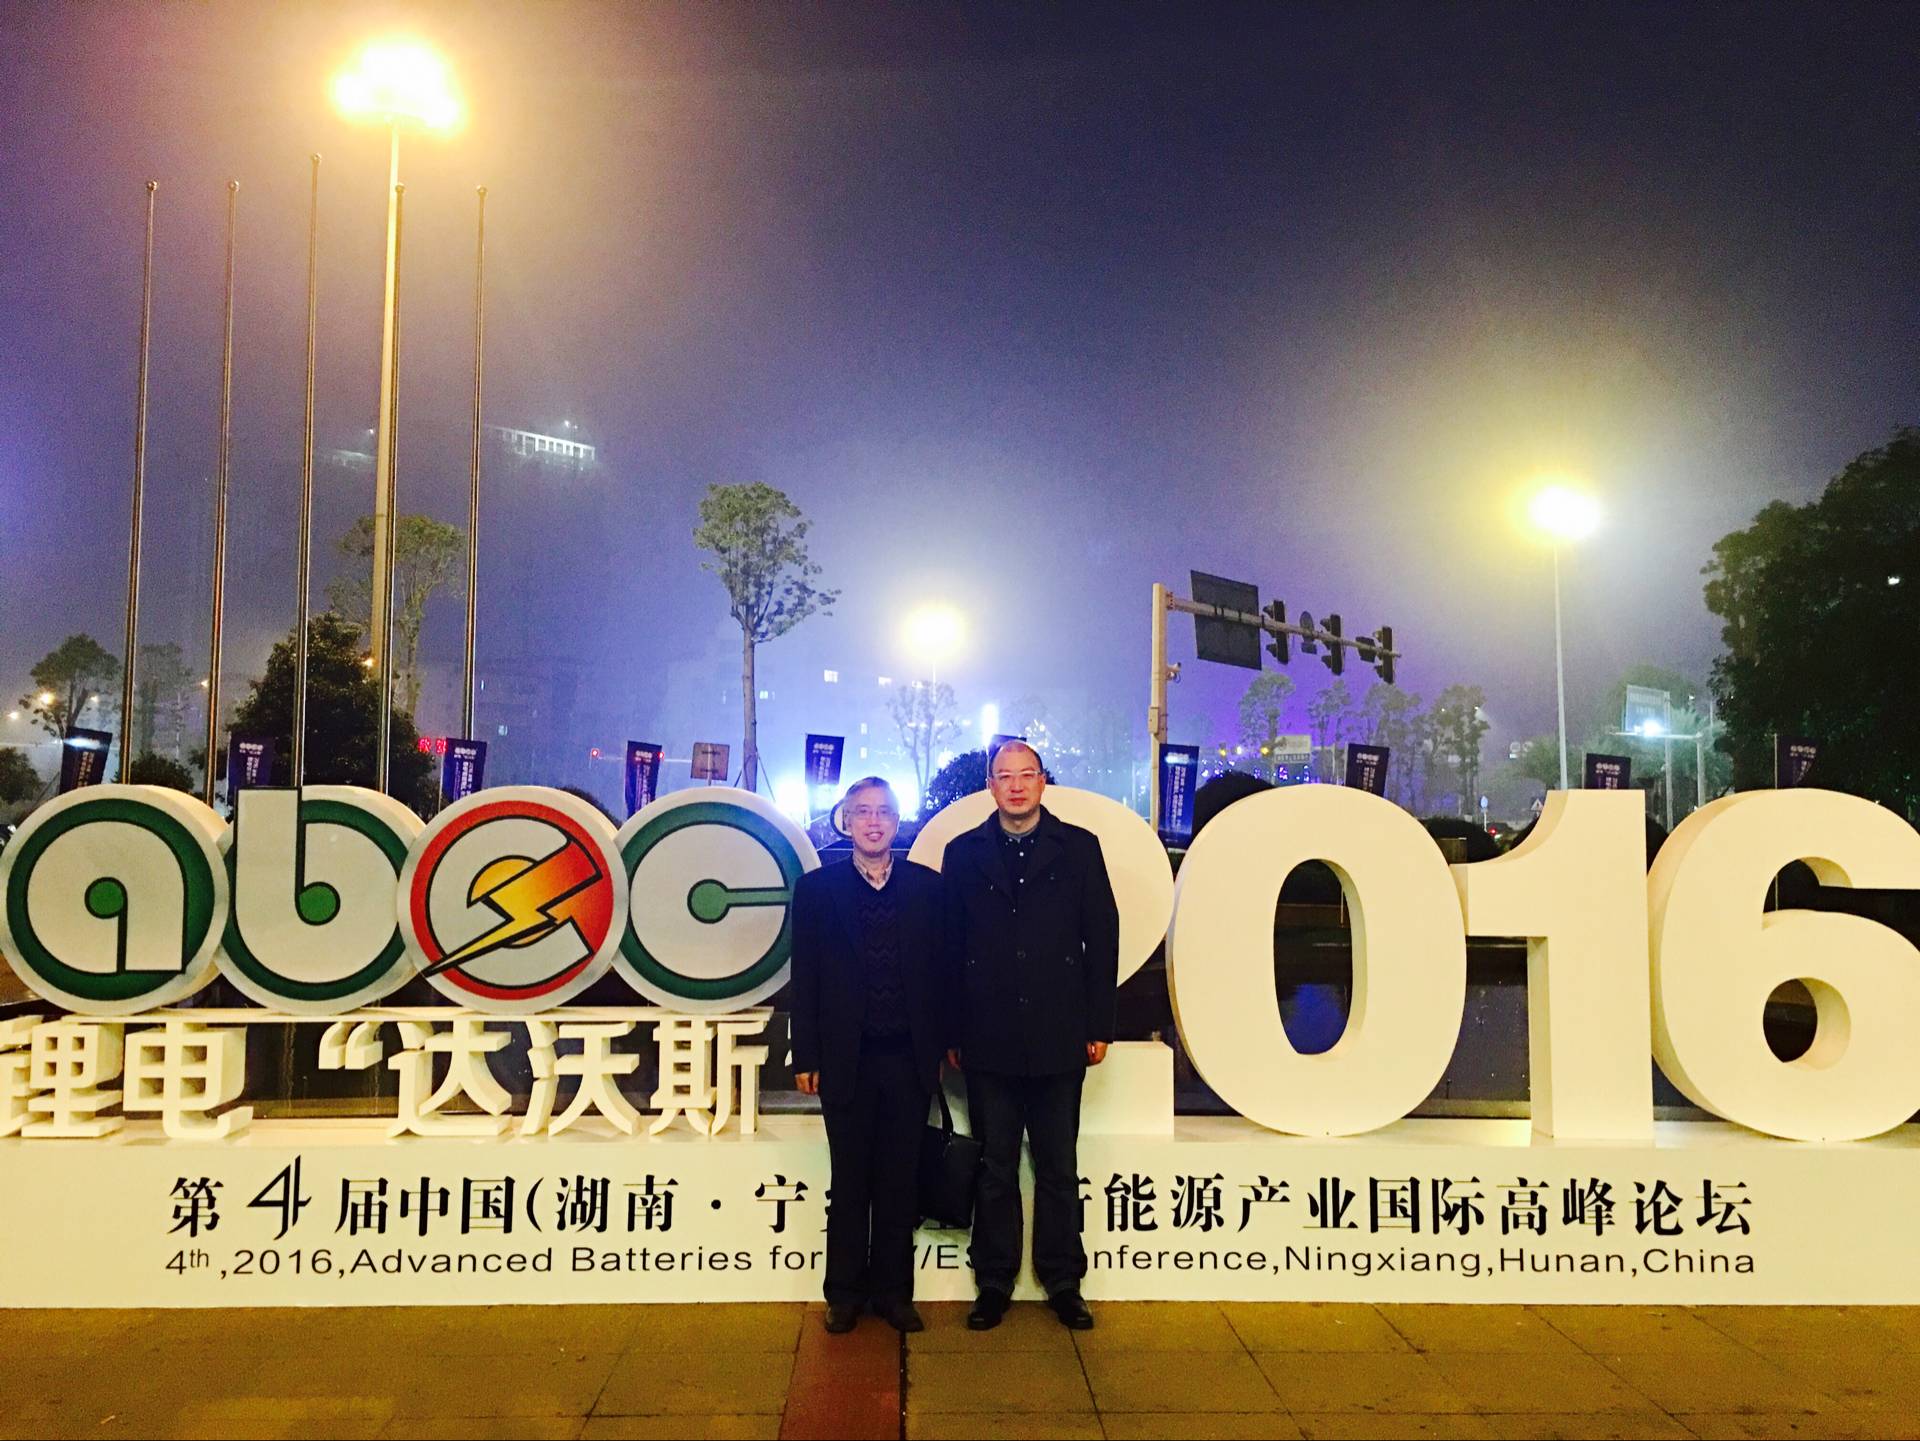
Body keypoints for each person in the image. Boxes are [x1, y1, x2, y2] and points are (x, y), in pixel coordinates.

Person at [942, 740, 1118, 1330]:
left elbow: (1103, 937)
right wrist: (953, 1029)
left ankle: (1063, 1280)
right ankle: (993, 1281)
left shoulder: (1079, 847)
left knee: (1058, 1165)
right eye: (1004, 777)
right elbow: (950, 948)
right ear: (990, 786)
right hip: (986, 1034)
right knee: (994, 1166)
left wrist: (1099, 1023)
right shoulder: (963, 853)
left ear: (1043, 782)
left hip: (1059, 1032)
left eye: (1026, 775)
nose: (1016, 786)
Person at [790, 776, 947, 1335]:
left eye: (883, 812)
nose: (873, 822)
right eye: (862, 812)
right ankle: (844, 1294)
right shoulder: (816, 890)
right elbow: (804, 978)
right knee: (850, 1180)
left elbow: (943, 974)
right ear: (846, 822)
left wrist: (943, 1043)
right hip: (844, 1059)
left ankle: (894, 1295)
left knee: (900, 1181)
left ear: (897, 822)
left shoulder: (927, 888)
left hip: (908, 1057)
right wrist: (805, 1056)